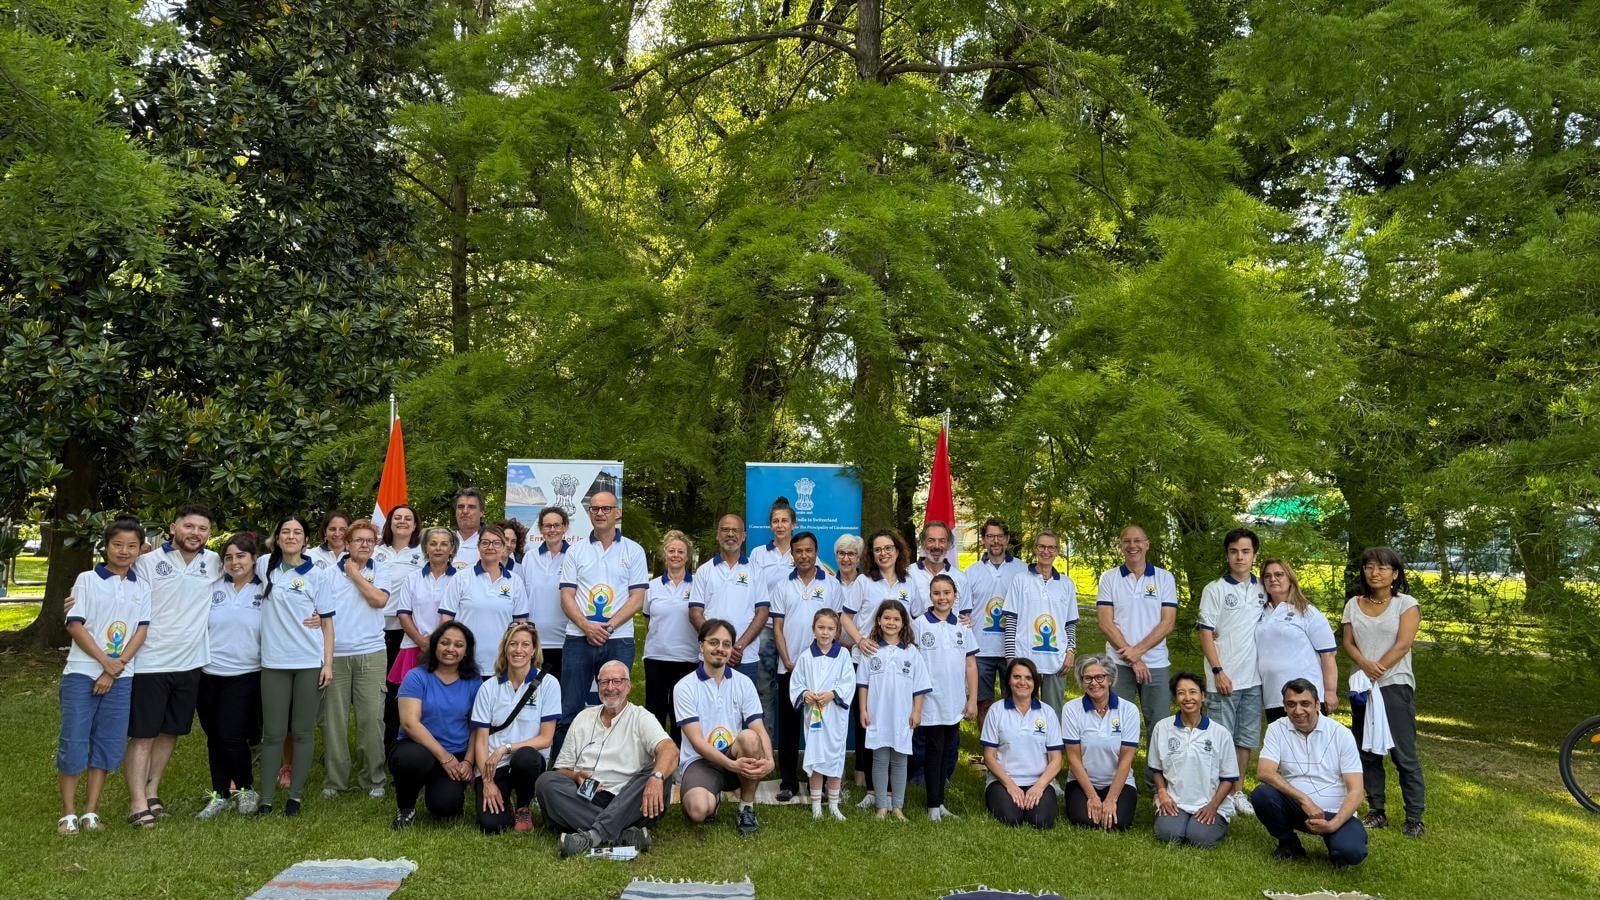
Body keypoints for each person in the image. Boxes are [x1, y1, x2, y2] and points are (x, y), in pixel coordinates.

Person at [127, 503, 221, 826]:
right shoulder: (147, 562)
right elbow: (120, 591)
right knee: (144, 735)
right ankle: (137, 801)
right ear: (173, 527)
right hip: (150, 661)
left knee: (170, 732)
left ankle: (152, 791)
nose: (195, 533)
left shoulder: (215, 563)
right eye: (189, 526)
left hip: (191, 663)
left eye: (202, 528)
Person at [57, 517, 151, 834]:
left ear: (140, 549)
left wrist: (117, 666)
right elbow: (75, 624)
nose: (124, 551)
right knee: (74, 739)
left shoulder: (142, 586)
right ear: (106, 546)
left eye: (131, 546)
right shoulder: (87, 580)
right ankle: (68, 812)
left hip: (122, 675)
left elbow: (141, 630)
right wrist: (104, 663)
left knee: (108, 742)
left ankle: (90, 811)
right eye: (117, 544)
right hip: (82, 672)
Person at [539, 660, 678, 858]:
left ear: (628, 686)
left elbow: (670, 749)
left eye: (617, 681)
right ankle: (623, 834)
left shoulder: (641, 717)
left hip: (630, 798)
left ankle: (593, 836)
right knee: (546, 782)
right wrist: (576, 775)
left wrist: (656, 777)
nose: (610, 688)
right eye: (604, 682)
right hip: (588, 796)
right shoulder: (583, 717)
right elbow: (560, 769)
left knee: (660, 771)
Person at [1342, 546, 1425, 838]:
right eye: (1369, 567)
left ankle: (1414, 817)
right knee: (1367, 751)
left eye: (1382, 567)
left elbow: (1404, 644)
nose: (1375, 573)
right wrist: (1365, 665)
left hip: (1394, 685)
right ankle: (1376, 810)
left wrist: (1379, 668)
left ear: (1395, 573)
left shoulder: (1406, 604)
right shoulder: (1353, 604)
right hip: (1363, 687)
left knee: (1403, 753)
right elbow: (1348, 643)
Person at [556, 491, 647, 756]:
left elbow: (637, 598)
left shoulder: (634, 550)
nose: (600, 513)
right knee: (570, 708)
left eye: (606, 508)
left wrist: (607, 626)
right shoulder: (575, 551)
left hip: (617, 639)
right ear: (589, 514)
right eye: (595, 509)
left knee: (615, 705)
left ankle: (613, 764)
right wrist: (586, 626)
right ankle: (562, 770)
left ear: (617, 513)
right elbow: (566, 596)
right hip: (578, 638)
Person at [255, 516, 336, 816]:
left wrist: (327, 664)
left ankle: (295, 797)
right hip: (274, 662)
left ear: (306, 540)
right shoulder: (264, 565)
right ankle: (265, 799)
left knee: (302, 731)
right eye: (285, 532)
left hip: (308, 663)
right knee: (274, 732)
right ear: (276, 538)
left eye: (297, 532)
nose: (291, 536)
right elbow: (231, 564)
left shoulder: (318, 574)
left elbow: (327, 624)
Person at [1249, 679, 1368, 866]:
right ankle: (1289, 844)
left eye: (1305, 704)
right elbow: (1265, 772)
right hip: (1297, 808)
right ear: (1284, 706)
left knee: (1352, 853)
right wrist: (1305, 800)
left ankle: (1337, 844)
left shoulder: (1341, 734)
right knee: (1262, 795)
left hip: (1335, 813)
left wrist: (1332, 824)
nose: (1298, 711)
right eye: (1291, 704)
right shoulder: (1276, 729)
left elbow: (1357, 791)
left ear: (1317, 705)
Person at [675, 618, 773, 836]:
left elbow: (758, 727)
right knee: (698, 812)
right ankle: (712, 798)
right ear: (701, 646)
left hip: (734, 754)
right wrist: (731, 765)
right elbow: (698, 743)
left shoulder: (743, 682)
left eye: (726, 644)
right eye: (714, 642)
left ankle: (746, 808)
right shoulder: (684, 687)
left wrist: (770, 759)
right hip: (701, 761)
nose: (720, 649)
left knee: (749, 737)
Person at [1196, 527, 1266, 817]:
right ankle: (1218, 792)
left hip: (1254, 679)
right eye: (1234, 551)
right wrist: (1218, 671)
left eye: (1245, 551)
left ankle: (1237, 791)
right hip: (1223, 678)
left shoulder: (1264, 589)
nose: (1240, 557)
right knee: (1220, 739)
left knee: (1245, 739)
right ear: (1227, 555)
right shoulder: (1215, 590)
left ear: (1254, 555)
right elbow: (1205, 633)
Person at [322, 519, 394, 799]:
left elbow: (378, 600)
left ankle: (374, 778)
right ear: (347, 543)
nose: (364, 545)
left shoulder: (382, 570)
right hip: (336, 654)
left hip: (372, 653)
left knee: (372, 719)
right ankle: (335, 780)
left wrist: (354, 574)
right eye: (358, 540)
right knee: (334, 721)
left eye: (369, 541)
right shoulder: (328, 574)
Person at [769, 531, 844, 801]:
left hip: (823, 671)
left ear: (816, 552)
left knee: (822, 726)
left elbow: (835, 626)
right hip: (788, 667)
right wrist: (787, 659)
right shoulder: (781, 586)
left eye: (808, 550)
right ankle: (789, 781)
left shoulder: (832, 585)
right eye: (798, 551)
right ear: (792, 554)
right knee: (788, 728)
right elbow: (777, 627)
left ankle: (822, 782)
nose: (803, 555)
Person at [196, 532, 264, 819]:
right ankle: (220, 793)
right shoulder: (211, 588)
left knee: (232, 734)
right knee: (214, 736)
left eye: (241, 556)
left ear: (254, 559)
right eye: (229, 557)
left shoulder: (266, 589)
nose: (235, 562)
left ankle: (247, 789)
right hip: (209, 672)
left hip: (246, 673)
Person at [471, 622, 561, 834]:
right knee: (492, 826)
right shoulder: (489, 687)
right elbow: (481, 740)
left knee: (526, 757)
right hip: (493, 764)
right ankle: (503, 798)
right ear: (505, 648)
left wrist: (506, 747)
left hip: (527, 759)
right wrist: (487, 781)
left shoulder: (549, 684)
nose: (518, 650)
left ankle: (522, 806)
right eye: (513, 644)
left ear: (533, 650)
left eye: (525, 645)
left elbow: (546, 738)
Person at [390, 621, 481, 829]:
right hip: (417, 748)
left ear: (466, 652)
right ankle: (405, 808)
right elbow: (409, 722)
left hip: (455, 753)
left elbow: (477, 725)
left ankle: (441, 788)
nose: (451, 649)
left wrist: (467, 762)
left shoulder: (474, 681)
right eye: (445, 643)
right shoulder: (416, 676)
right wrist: (444, 757)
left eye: (459, 645)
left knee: (445, 807)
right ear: (435, 645)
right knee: (412, 759)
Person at [841, 529, 912, 792]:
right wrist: (860, 640)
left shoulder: (909, 582)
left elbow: (918, 616)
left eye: (888, 548)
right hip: (867, 660)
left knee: (893, 718)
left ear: (898, 550)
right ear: (872, 554)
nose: (884, 553)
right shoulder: (864, 582)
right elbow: (845, 617)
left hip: (897, 665)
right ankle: (869, 784)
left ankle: (892, 784)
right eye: (878, 549)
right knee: (867, 720)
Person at [1096, 525, 1177, 741]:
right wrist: (1132, 659)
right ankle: (1121, 775)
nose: (1133, 546)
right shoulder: (1109, 578)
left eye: (1138, 541)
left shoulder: (1164, 578)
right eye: (1127, 541)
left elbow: (1168, 623)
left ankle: (1156, 776)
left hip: (1156, 663)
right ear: (1120, 545)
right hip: (1118, 663)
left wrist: (1137, 653)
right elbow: (1105, 622)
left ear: (1147, 544)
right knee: (1115, 723)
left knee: (1159, 726)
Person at [911, 574, 977, 822]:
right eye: (937, 593)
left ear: (954, 595)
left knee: (948, 749)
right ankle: (933, 805)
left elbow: (970, 665)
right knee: (934, 751)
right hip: (930, 701)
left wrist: (972, 700)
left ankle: (939, 803)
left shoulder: (962, 626)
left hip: (955, 701)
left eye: (947, 593)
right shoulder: (919, 625)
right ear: (930, 596)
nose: (942, 598)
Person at [857, 599, 930, 820]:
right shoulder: (870, 650)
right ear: (878, 621)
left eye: (896, 619)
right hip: (878, 714)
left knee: (900, 759)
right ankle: (881, 806)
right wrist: (863, 710)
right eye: (886, 618)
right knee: (879, 759)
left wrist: (917, 711)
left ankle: (897, 806)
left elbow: (920, 687)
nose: (891, 622)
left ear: (903, 623)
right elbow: (863, 684)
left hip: (902, 716)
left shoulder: (911, 652)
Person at [1150, 672, 1240, 848]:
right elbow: (1156, 769)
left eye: (1193, 692)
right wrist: (1162, 793)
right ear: (1176, 698)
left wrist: (1212, 806)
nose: (1187, 698)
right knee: (1169, 834)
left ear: (1203, 696)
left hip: (1210, 801)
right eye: (1181, 693)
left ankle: (1205, 823)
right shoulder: (1162, 728)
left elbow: (1228, 778)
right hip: (1175, 801)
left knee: (1199, 838)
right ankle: (1179, 822)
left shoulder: (1220, 733)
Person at [788, 608, 855, 820]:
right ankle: (816, 805)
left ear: (837, 632)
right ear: (813, 629)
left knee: (835, 759)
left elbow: (848, 682)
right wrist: (805, 694)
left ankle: (833, 804)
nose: (825, 633)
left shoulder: (843, 655)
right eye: (821, 627)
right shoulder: (806, 657)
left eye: (830, 629)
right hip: (815, 717)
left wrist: (833, 694)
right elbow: (796, 683)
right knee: (815, 758)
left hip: (835, 716)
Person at [980, 658, 1062, 829]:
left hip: (1039, 780)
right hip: (1003, 780)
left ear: (1035, 682)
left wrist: (1039, 786)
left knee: (1041, 820)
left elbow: (1056, 760)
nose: (1022, 682)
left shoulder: (1047, 712)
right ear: (1008, 681)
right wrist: (1010, 785)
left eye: (1028, 678)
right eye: (1017, 677)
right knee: (1011, 818)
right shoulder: (996, 710)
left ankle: (1034, 799)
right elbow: (989, 757)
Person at [1003, 530, 1078, 715]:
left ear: (1057, 551)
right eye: (1042, 546)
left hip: (1056, 660)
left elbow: (1070, 623)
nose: (1046, 551)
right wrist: (1011, 658)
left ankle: (1053, 745)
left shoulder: (1066, 584)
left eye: (1051, 547)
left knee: (1053, 713)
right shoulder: (1020, 580)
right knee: (1023, 711)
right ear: (1036, 549)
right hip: (1025, 658)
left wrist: (1070, 651)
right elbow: (1011, 621)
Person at [1062, 654, 1140, 831]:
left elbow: (1126, 759)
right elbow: (1073, 758)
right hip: (1081, 782)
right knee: (1084, 821)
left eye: (1100, 677)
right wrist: (1092, 797)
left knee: (1118, 823)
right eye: (1087, 678)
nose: (1094, 683)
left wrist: (1111, 799)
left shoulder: (1129, 710)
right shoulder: (1071, 709)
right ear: (1081, 682)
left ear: (1110, 679)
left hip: (1120, 782)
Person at [440, 524, 529, 676]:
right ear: (478, 546)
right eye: (485, 542)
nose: (490, 547)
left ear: (503, 547)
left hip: (502, 665)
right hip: (465, 662)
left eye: (496, 543)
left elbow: (521, 624)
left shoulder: (515, 581)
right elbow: (446, 619)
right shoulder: (461, 578)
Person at [1256, 558, 1339, 722]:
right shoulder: (1259, 612)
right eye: (1267, 576)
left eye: (1279, 574)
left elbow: (1328, 655)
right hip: (1273, 696)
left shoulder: (1307, 612)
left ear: (1290, 578)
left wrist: (1330, 691)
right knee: (1283, 745)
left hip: (1304, 694)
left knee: (1311, 744)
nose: (1273, 579)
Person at [964, 517, 1027, 726]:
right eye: (990, 536)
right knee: (983, 701)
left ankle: (1013, 746)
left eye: (1000, 536)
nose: (996, 541)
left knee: (1016, 699)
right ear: (983, 539)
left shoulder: (1023, 570)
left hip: (1014, 647)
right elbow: (963, 609)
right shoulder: (971, 572)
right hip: (981, 649)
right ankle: (987, 749)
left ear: (1007, 539)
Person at [688, 514, 766, 681]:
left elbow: (762, 612)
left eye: (735, 530)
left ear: (743, 536)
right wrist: (718, 645)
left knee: (744, 707)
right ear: (717, 535)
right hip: (711, 656)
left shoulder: (756, 570)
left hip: (745, 656)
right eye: (725, 529)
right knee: (709, 705)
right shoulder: (704, 571)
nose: (730, 534)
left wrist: (737, 647)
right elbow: (695, 613)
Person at [748, 498, 796, 756]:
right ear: (770, 525)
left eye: (784, 521)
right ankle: (765, 753)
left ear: (793, 524)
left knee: (794, 691)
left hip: (793, 633)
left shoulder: (801, 552)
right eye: (775, 521)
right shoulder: (757, 554)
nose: (780, 525)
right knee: (764, 689)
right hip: (766, 631)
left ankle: (793, 755)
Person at [642, 530, 700, 744]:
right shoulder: (652, 586)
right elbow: (647, 618)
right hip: (656, 657)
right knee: (655, 711)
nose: (676, 555)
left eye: (681, 551)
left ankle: (679, 761)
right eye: (671, 550)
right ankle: (655, 756)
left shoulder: (697, 585)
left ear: (687, 556)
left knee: (681, 714)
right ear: (664, 554)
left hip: (687, 659)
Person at [375, 505, 423, 750]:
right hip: (374, 631)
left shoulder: (422, 553)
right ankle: (378, 745)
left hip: (406, 632)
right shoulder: (375, 551)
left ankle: (397, 743)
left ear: (415, 525)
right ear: (389, 522)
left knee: (400, 691)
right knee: (377, 691)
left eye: (408, 518)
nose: (402, 522)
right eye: (397, 517)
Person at [392, 527, 457, 689]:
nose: (438, 548)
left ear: (452, 549)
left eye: (444, 544)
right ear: (425, 548)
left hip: (449, 648)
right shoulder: (412, 579)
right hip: (415, 646)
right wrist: (423, 642)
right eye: (433, 544)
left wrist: (438, 643)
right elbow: (404, 614)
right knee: (412, 700)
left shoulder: (460, 579)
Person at [519, 507, 571, 682]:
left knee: (563, 699)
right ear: (541, 529)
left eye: (557, 525)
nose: (552, 530)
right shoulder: (529, 557)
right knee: (534, 697)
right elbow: (521, 598)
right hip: (536, 642)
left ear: (565, 527)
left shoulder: (576, 556)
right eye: (547, 526)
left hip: (567, 641)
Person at [907, 520, 967, 618]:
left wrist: (966, 619)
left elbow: (964, 616)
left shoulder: (960, 577)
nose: (936, 546)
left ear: (948, 545)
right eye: (931, 540)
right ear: (923, 543)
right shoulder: (908, 574)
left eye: (942, 541)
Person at [450, 488, 487, 569]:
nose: (465, 511)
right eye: (460, 507)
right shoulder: (444, 541)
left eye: (471, 507)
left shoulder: (493, 544)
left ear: (481, 513)